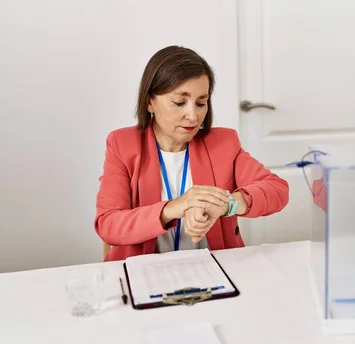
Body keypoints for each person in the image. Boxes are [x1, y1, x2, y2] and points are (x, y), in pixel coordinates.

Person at [95, 45, 289, 262]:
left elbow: (277, 190)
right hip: (145, 273)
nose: (193, 115)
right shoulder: (122, 145)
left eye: (200, 103)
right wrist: (175, 207)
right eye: (179, 102)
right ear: (150, 101)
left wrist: (227, 203)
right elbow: (108, 224)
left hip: (214, 269)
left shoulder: (224, 144)